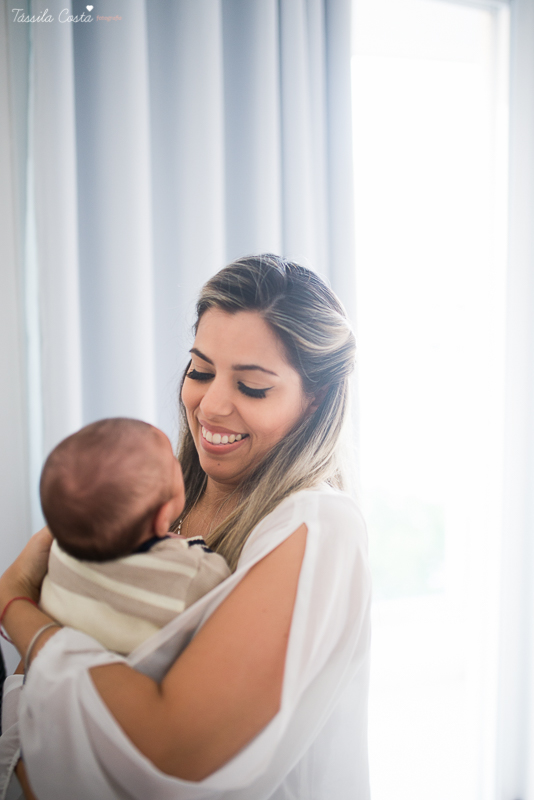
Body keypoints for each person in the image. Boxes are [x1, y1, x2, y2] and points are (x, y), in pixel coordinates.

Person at [0, 254, 372, 800]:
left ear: (314, 398)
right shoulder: (154, 504)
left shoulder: (318, 524)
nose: (211, 405)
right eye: (200, 371)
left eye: (252, 387)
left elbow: (172, 748)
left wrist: (15, 607)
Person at [39, 417, 230, 654]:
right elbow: (219, 578)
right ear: (162, 518)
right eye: (173, 463)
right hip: (129, 676)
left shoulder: (58, 552)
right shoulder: (188, 576)